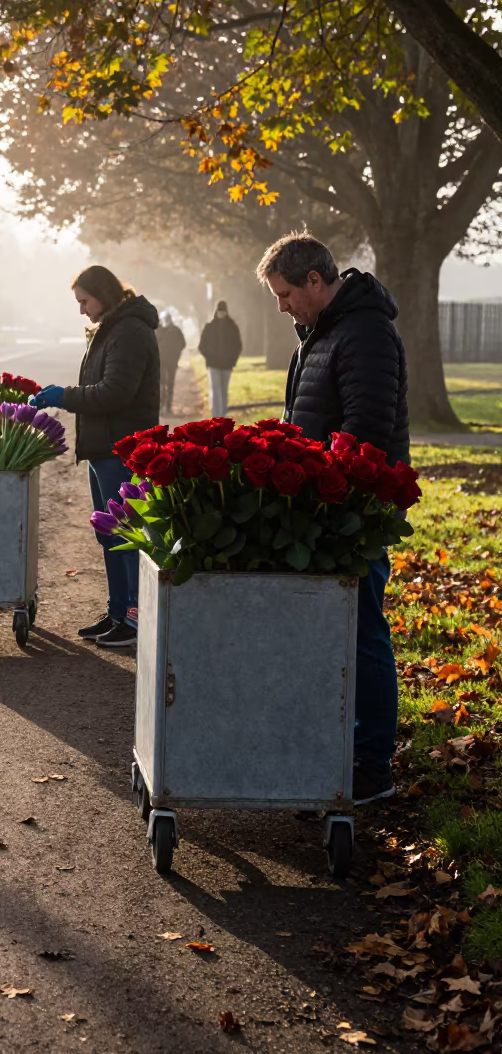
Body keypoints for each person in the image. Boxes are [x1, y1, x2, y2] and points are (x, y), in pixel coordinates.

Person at [256, 232, 410, 807]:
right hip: (324, 505)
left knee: (364, 630)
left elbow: (366, 429)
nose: (282, 306)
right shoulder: (320, 332)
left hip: (356, 510)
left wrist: (325, 489)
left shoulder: (365, 331)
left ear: (316, 282)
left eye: (286, 293)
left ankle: (372, 765)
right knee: (334, 630)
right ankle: (339, 748)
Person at [31, 265, 160, 649]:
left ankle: (135, 619)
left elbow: (113, 392)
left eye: (84, 301)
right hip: (103, 446)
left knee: (126, 536)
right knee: (109, 536)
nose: (82, 309)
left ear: (103, 294)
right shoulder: (113, 327)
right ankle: (118, 611)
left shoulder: (130, 330)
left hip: (121, 447)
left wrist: (63, 396)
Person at [199, 300, 242, 417]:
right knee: (215, 390)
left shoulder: (232, 327)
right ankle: (216, 416)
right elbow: (202, 345)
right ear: (216, 311)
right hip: (213, 365)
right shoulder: (209, 327)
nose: (221, 314)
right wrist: (208, 357)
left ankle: (223, 415)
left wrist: (233, 360)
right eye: (219, 312)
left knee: (223, 391)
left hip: (227, 365)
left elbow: (238, 346)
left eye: (223, 312)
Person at [156, 313, 186, 414]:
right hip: (168, 361)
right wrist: (176, 353)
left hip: (165, 361)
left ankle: (164, 406)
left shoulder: (160, 330)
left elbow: (182, 344)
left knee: (164, 384)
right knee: (167, 384)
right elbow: (183, 344)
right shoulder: (174, 330)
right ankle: (166, 406)